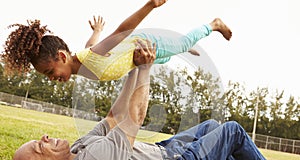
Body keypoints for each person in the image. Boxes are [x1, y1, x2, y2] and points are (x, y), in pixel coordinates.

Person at [12, 40, 296, 160]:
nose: (45, 138)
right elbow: (133, 119)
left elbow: (113, 117)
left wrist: (133, 68)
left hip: (165, 153)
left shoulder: (75, 151)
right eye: (40, 146)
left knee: (211, 126)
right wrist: (146, 68)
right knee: (231, 130)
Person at [2, 0, 232, 82]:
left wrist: (149, 5)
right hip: (135, 58)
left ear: (62, 56)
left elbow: (123, 30)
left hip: (143, 42)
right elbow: (91, 43)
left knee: (178, 46)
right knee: (164, 58)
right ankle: (182, 45)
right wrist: (97, 30)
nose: (53, 78)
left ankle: (212, 25)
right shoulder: (84, 58)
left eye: (50, 72)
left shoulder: (90, 58)